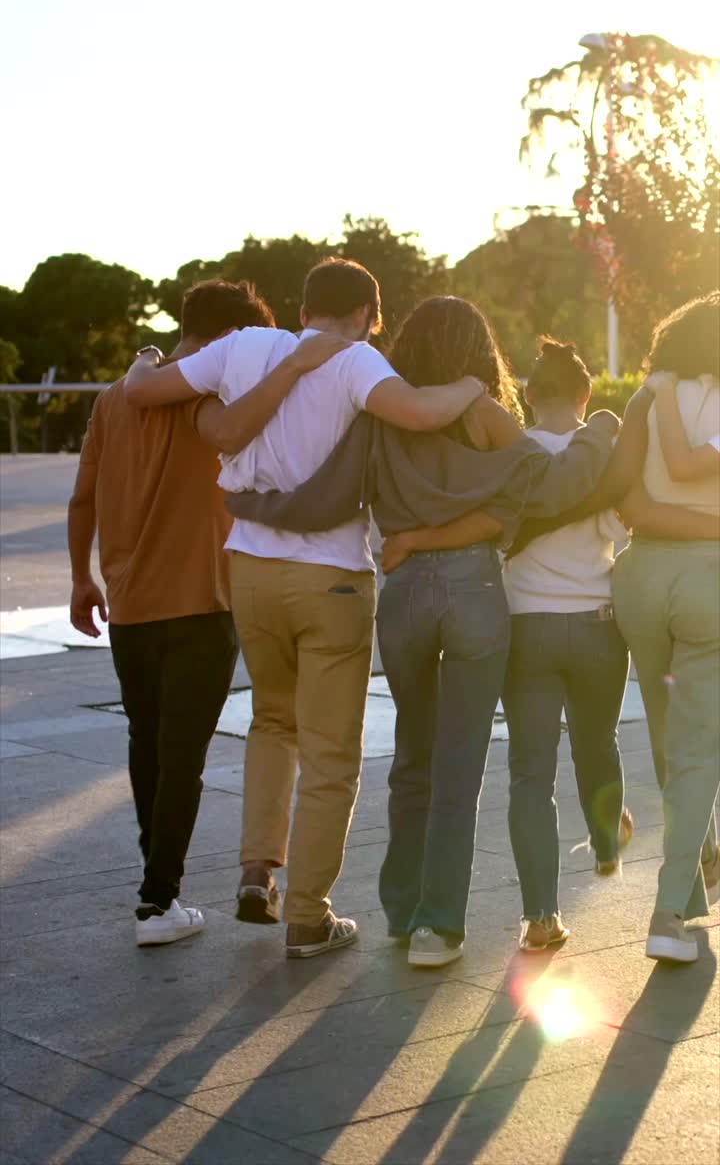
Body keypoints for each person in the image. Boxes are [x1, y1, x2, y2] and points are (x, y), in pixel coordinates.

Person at [224, 297, 624, 967]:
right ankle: (441, 927)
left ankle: (403, 912)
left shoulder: (381, 412)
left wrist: (255, 505)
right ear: (476, 349)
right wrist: (601, 432)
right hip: (473, 593)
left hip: (404, 595)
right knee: (459, 768)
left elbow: (331, 489)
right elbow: (545, 489)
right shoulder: (484, 414)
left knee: (413, 755)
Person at [122, 260, 488, 958]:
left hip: (250, 570)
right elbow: (421, 412)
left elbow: (147, 391)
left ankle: (259, 869)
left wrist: (143, 362)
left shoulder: (243, 347)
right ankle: (310, 916)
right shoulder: (356, 360)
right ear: (367, 316)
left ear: (302, 309)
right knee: (330, 754)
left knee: (271, 718)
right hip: (332, 580)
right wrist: (476, 379)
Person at [68, 278, 352, 947]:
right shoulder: (213, 399)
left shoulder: (115, 399)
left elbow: (83, 499)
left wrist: (82, 579)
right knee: (183, 756)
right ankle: (156, 900)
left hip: (130, 602)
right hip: (201, 602)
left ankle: (157, 889)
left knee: (148, 744)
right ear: (228, 339)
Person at [500, 339, 633, 953]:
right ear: (585, 394)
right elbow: (618, 528)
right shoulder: (599, 454)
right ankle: (607, 844)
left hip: (526, 627)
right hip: (597, 623)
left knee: (530, 772)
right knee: (596, 741)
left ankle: (540, 918)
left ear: (529, 394)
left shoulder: (512, 454)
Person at [612, 293, 720, 964]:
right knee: (698, 748)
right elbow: (687, 470)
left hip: (640, 579)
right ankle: (668, 912)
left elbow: (627, 502)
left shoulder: (645, 400)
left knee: (664, 730)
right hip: (706, 582)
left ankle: (699, 862)